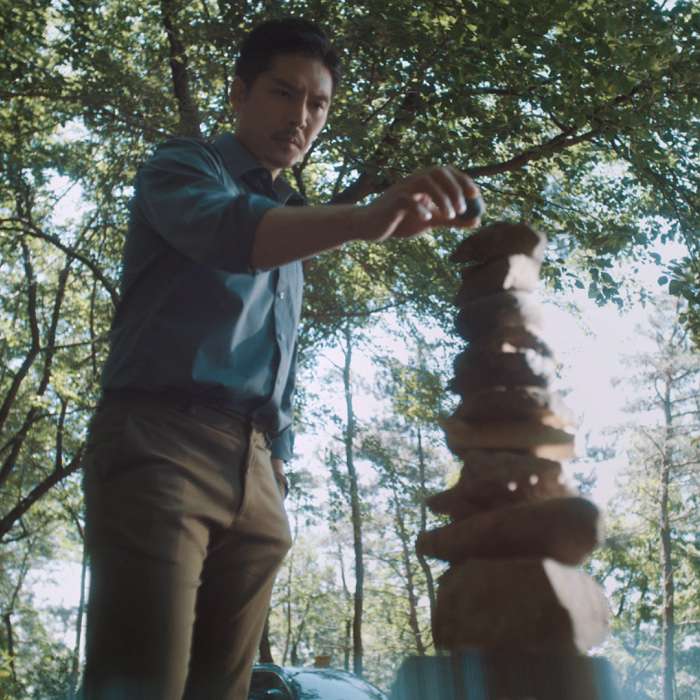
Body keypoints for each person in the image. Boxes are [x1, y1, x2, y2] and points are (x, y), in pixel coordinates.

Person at [82, 16, 482, 700]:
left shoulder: (293, 221)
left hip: (259, 472)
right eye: (283, 92)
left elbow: (281, 362)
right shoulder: (181, 167)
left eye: (318, 103)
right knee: (141, 686)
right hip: (160, 446)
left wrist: (276, 465)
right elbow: (229, 232)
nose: (301, 117)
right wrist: (362, 219)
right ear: (239, 93)